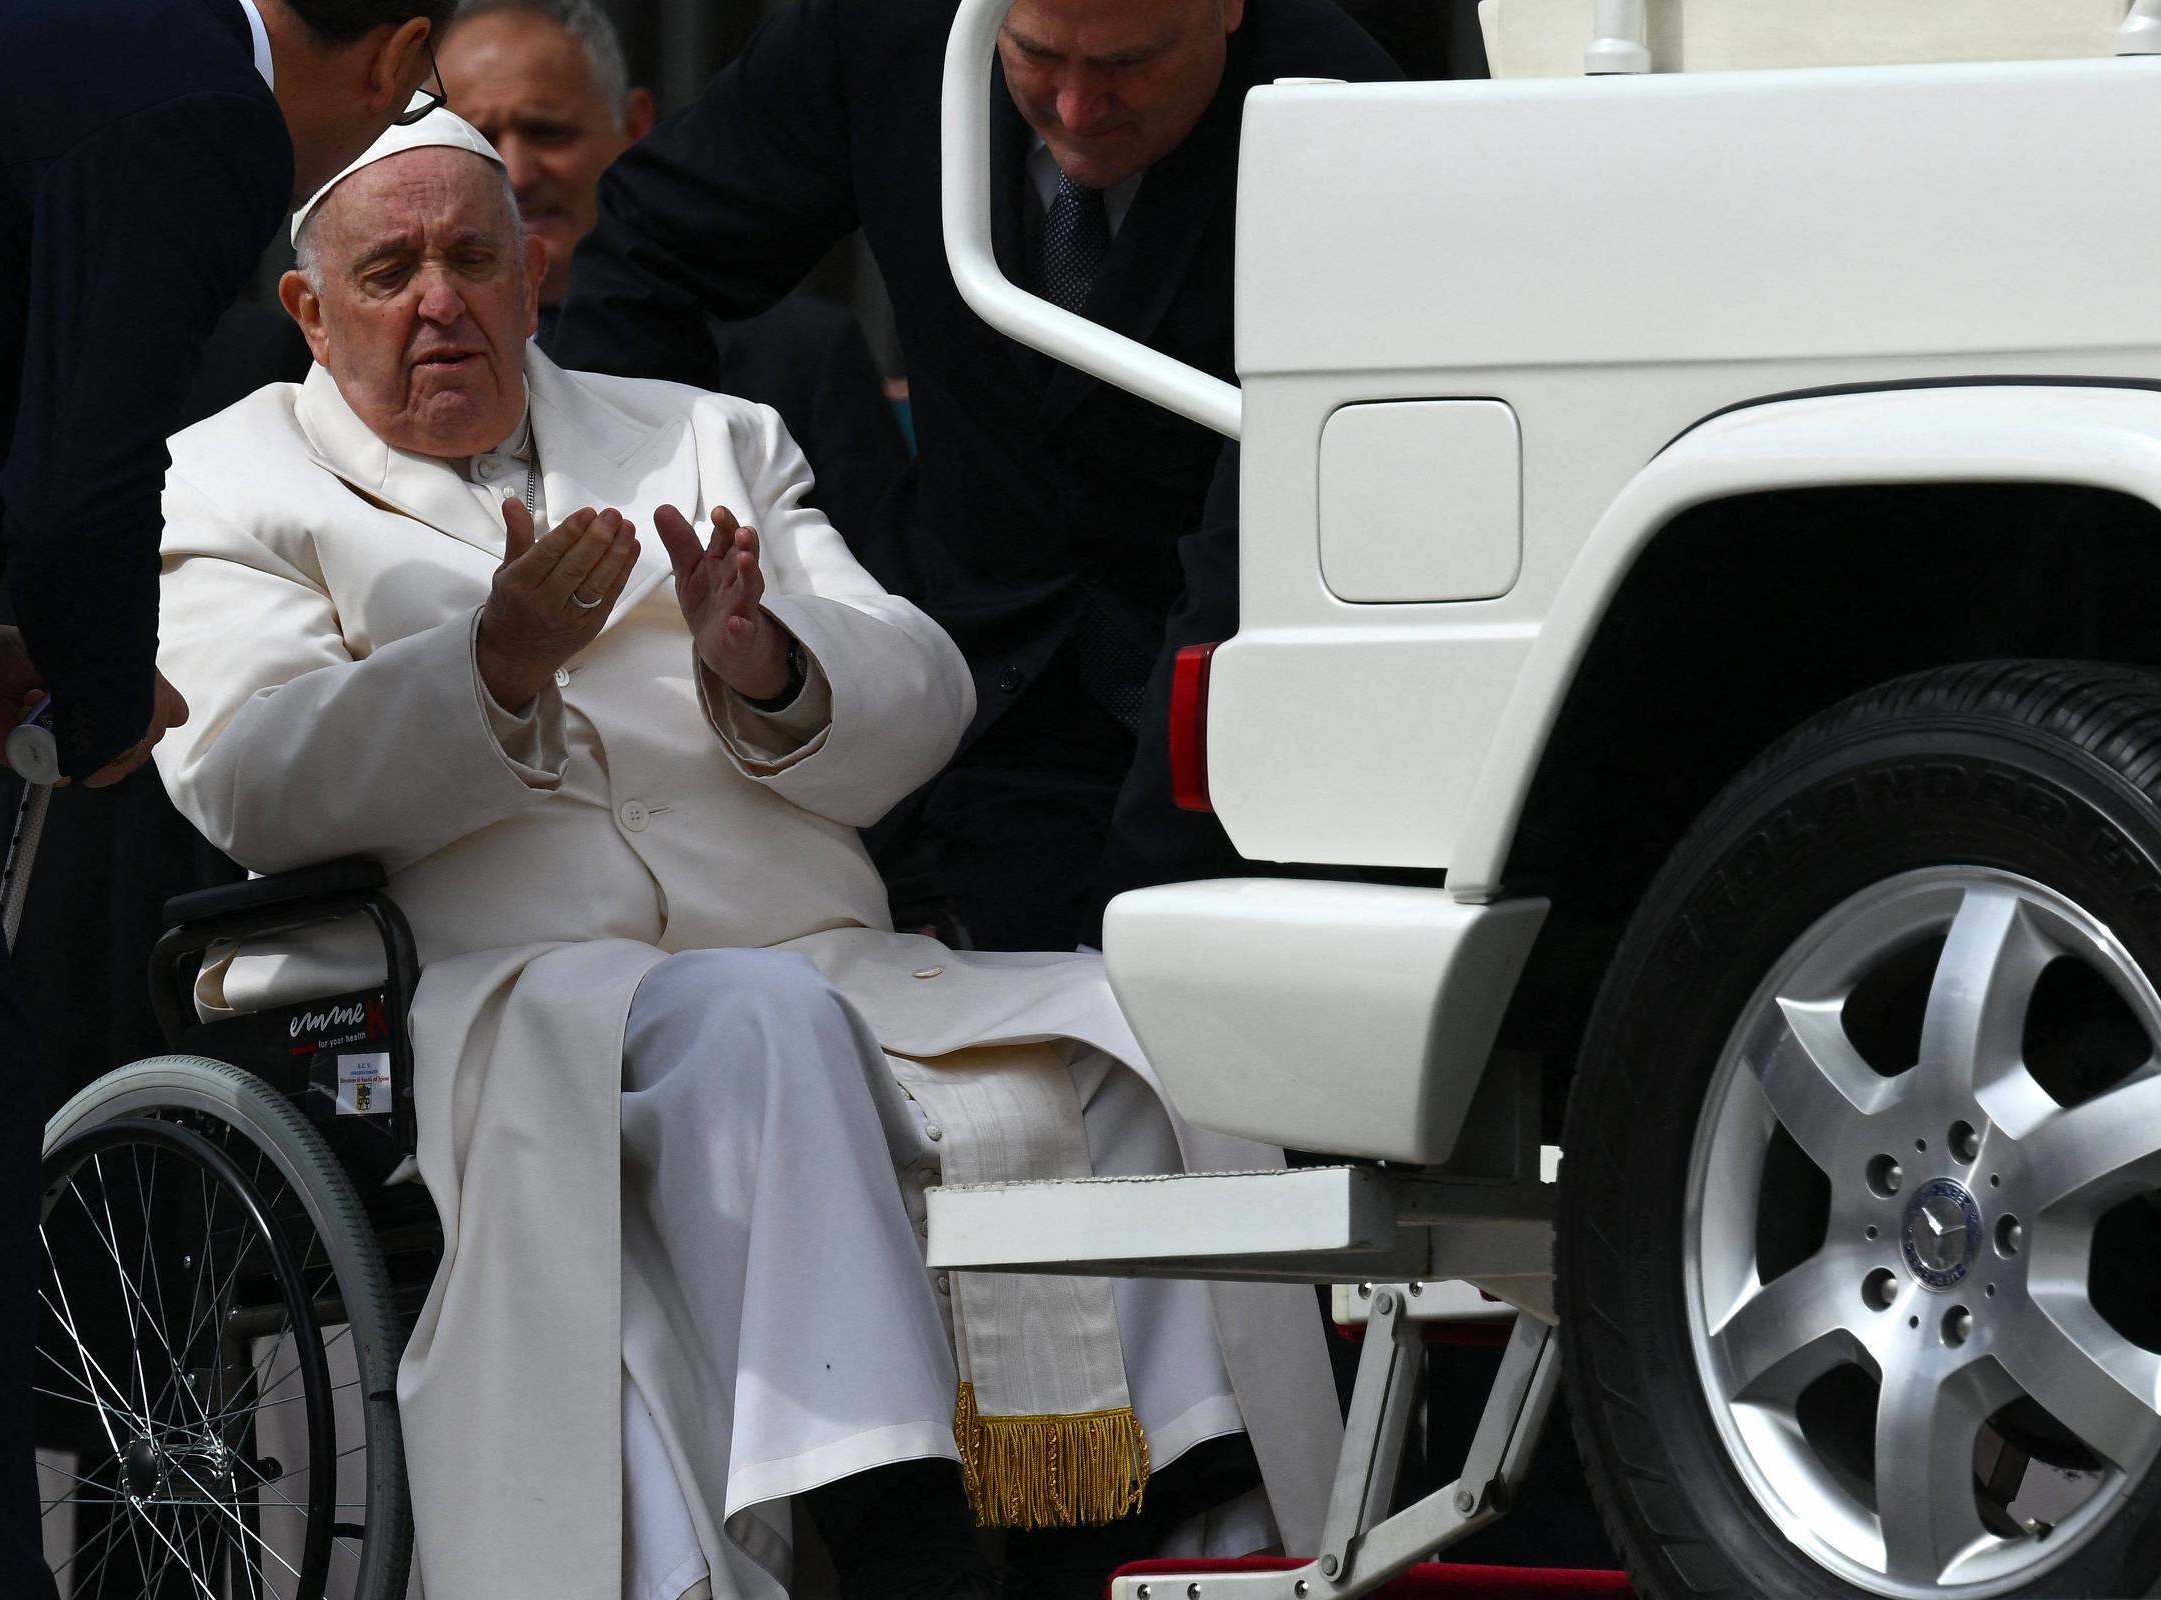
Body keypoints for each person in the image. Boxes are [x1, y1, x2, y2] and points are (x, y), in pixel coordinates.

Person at [151, 112, 1340, 1600]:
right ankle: (898, 1521)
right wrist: (490, 668)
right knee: (756, 1028)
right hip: (512, 997)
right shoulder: (225, 480)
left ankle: (1175, 1509)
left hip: (823, 960)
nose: (439, 301)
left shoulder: (706, 435)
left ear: (534, 280)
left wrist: (771, 659)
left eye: (471, 258)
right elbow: (249, 776)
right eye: (389, 271)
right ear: (311, 314)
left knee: (1136, 1029)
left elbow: (925, 688)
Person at [0, 0, 440, 1592]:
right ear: (399, 56)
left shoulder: (44, 30)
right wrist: (99, 687)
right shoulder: (196, 107)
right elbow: (77, 478)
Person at [547, 0, 1399, 952]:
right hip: (967, 692)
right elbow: (649, 253)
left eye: (1131, 62)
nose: (1078, 108)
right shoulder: (882, 35)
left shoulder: (1347, 115)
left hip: (1234, 717)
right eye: (1036, 55)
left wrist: (1154, 900)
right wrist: (649, 552)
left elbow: (1272, 529)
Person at [439, 0, 910, 538]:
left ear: (635, 123)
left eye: (549, 133)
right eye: (480, 140)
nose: (517, 173)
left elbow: (880, 606)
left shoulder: (802, 355)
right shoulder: (396, 364)